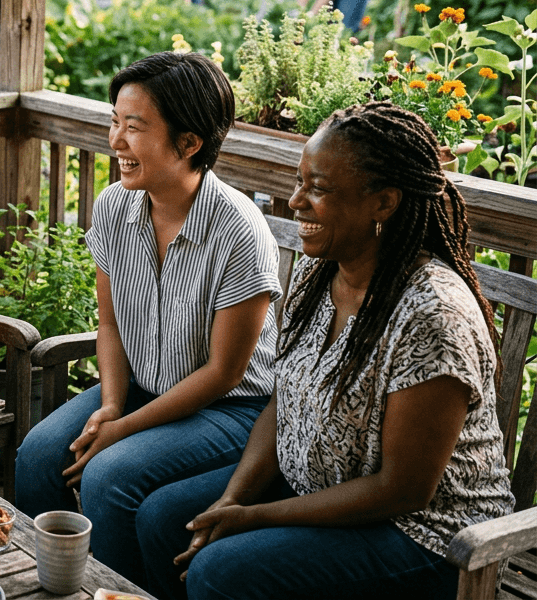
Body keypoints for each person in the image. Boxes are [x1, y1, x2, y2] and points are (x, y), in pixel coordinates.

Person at [137, 102, 515, 600]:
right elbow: (283, 402)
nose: (295, 202)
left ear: (384, 203)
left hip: (432, 538)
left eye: (318, 189)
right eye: (299, 182)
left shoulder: (433, 316)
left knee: (222, 572)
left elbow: (402, 490)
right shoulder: (324, 276)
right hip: (321, 489)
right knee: (163, 519)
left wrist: (254, 516)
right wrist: (232, 499)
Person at [15, 52, 280, 588]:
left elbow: (226, 373)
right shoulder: (115, 206)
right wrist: (112, 403)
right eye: (115, 122)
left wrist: (123, 428)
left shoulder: (238, 231)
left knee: (109, 475)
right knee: (39, 454)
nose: (115, 140)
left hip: (230, 410)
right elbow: (108, 325)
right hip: (139, 389)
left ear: (189, 144)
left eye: (133, 128)